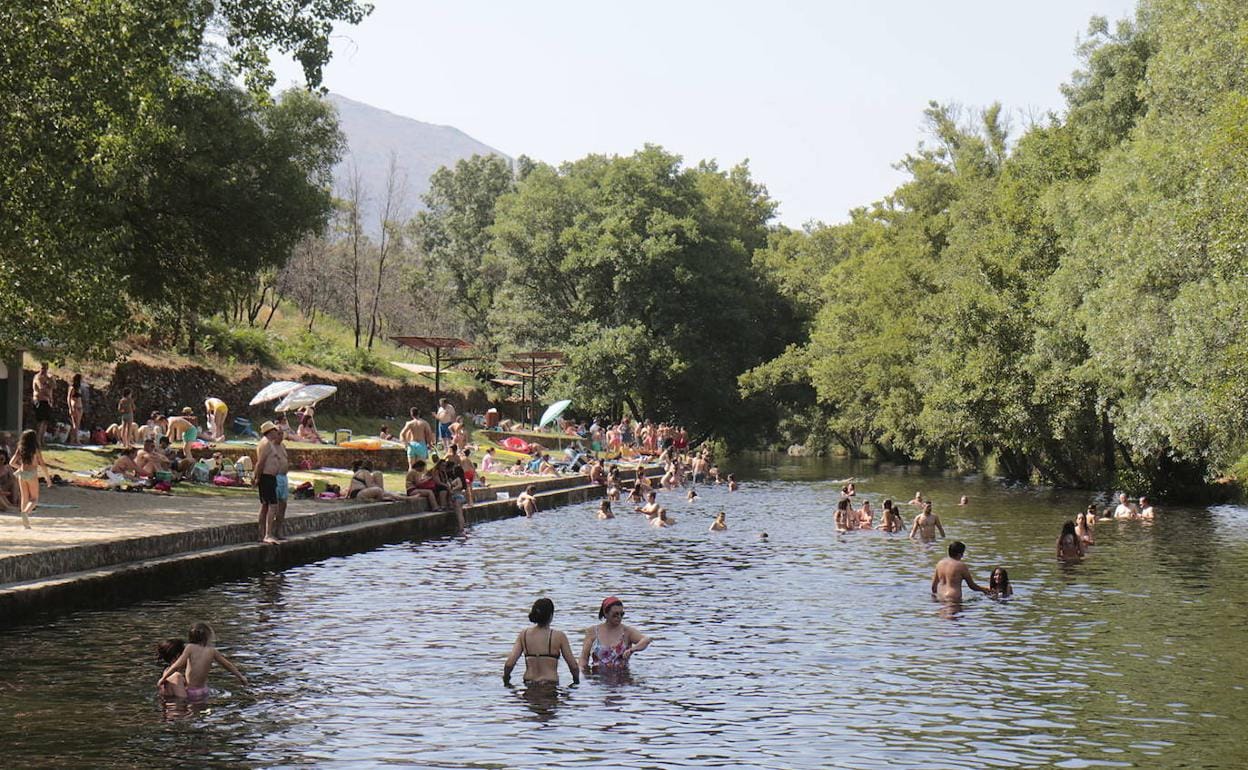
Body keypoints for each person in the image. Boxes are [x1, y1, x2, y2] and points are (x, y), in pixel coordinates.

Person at [157, 622, 248, 701]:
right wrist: (241, 677)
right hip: (204, 690)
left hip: (192, 691)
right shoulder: (212, 651)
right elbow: (227, 664)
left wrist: (163, 678)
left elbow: (177, 665)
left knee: (193, 714)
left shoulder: (190, 648)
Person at [503, 598, 580, 686]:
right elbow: (573, 666)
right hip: (550, 685)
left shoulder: (524, 635)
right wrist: (576, 682)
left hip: (529, 685)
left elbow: (509, 664)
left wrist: (506, 680)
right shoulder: (559, 636)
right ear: (551, 615)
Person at [580, 597, 652, 672]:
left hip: (622, 676)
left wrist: (632, 650)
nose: (619, 617)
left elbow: (646, 640)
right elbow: (584, 658)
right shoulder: (593, 631)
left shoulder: (627, 632)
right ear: (606, 613)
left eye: (622, 614)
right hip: (598, 677)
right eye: (615, 614)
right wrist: (583, 675)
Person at [255, 421, 289, 544]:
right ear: (270, 432)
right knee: (272, 506)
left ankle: (262, 534)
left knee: (266, 506)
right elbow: (260, 462)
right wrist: (257, 478)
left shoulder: (270, 444)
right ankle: (267, 534)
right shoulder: (266, 444)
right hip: (266, 477)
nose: (278, 433)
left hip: (270, 477)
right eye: (275, 430)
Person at [9, 430, 51, 528]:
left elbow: (11, 462)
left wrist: (19, 467)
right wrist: (48, 478)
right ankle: (25, 513)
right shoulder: (35, 449)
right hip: (32, 473)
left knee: (24, 497)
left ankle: (25, 523)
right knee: (34, 499)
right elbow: (42, 464)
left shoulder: (20, 448)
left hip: (22, 473)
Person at [32, 362, 54, 447]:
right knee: (40, 421)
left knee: (45, 421)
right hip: (40, 401)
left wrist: (50, 380)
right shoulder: (38, 377)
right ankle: (37, 441)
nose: (44, 370)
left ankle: (42, 439)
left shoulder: (48, 377)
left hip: (47, 402)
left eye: (46, 368)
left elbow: (54, 386)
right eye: (43, 368)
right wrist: (47, 385)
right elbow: (41, 388)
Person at [67, 373, 84, 445]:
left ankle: (75, 439)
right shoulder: (72, 388)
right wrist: (70, 408)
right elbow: (69, 398)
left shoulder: (79, 388)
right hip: (75, 406)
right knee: (75, 424)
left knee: (78, 424)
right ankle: (74, 440)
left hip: (80, 406)